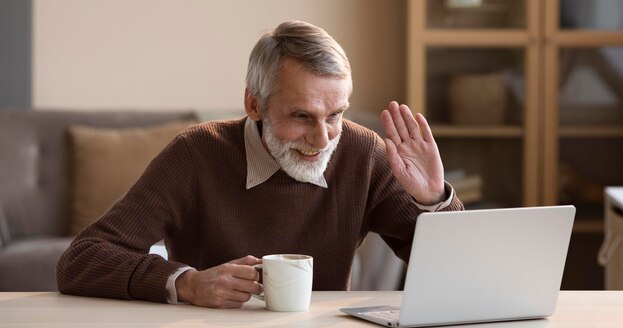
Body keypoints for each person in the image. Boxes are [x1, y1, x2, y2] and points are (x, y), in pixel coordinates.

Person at [57, 20, 464, 308]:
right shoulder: (195, 153)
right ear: (254, 103)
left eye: (336, 115)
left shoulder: (363, 153)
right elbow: (82, 259)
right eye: (301, 116)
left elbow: (460, 274)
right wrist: (187, 284)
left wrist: (434, 200)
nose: (323, 140)